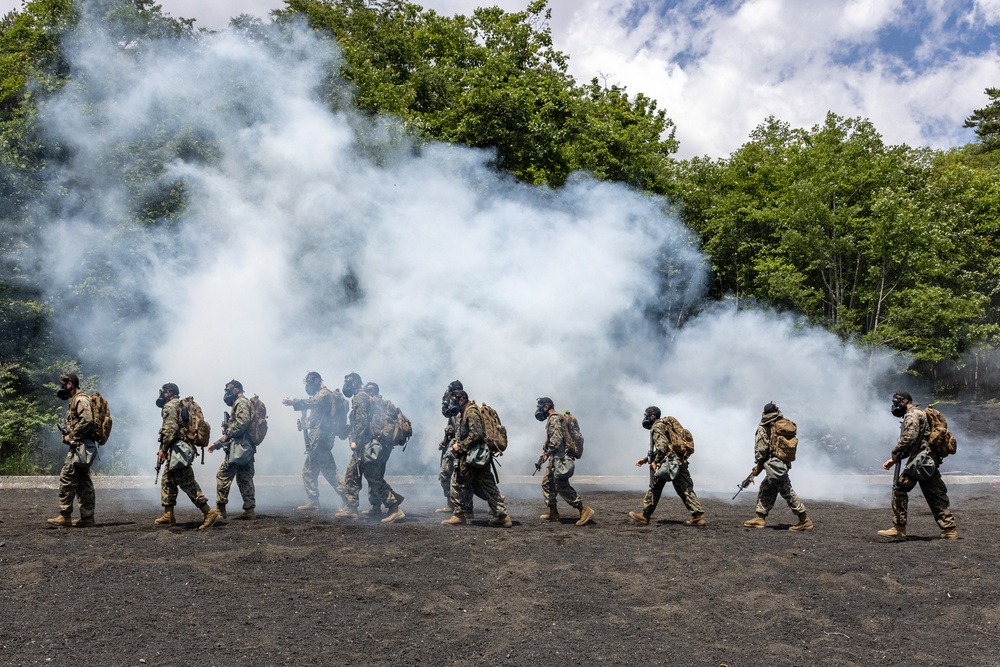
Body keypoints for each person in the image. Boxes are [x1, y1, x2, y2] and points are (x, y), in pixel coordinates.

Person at [878, 391, 957, 540]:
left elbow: (910, 438)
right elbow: (917, 442)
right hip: (928, 460)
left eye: (895, 402)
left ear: (903, 401)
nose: (894, 406)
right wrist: (894, 460)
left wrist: (895, 451)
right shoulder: (918, 413)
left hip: (921, 461)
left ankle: (899, 528)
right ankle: (949, 530)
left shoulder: (912, 415)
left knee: (900, 488)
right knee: (936, 493)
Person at [154, 383, 220, 530]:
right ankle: (168, 514)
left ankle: (208, 512)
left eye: (163, 392)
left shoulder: (170, 406)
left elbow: (170, 430)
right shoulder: (182, 405)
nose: (162, 395)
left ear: (169, 392)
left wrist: (163, 449)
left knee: (186, 481)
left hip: (178, 450)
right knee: (167, 480)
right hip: (182, 448)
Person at [442, 390, 512, 528]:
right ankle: (502, 516)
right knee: (488, 485)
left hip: (472, 456)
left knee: (456, 482)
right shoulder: (463, 412)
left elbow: (476, 434)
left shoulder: (471, 412)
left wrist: (460, 447)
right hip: (477, 456)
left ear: (461, 399)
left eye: (455, 401)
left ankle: (459, 516)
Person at [281, 371, 348, 513]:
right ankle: (313, 501)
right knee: (308, 471)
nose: (308, 386)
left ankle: (348, 500)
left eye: (309, 382)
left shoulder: (324, 394)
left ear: (317, 380)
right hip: (316, 439)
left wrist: (296, 402)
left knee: (329, 471)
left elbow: (313, 402)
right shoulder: (322, 395)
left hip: (321, 439)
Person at [629, 406, 705, 527]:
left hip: (668, 463)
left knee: (655, 486)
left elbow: (662, 447)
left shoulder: (657, 426)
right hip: (679, 461)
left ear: (652, 416)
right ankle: (698, 517)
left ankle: (645, 515)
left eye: (647, 415)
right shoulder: (666, 424)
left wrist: (656, 462)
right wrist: (645, 460)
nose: (646, 418)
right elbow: (668, 446)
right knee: (686, 489)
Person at [741, 403, 812, 531]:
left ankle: (804, 520)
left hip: (773, 465)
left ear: (764, 414)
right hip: (782, 462)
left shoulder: (765, 425)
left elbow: (762, 449)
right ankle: (760, 518)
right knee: (766, 488)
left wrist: (758, 464)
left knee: (786, 491)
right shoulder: (782, 424)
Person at [47, 373, 98, 527]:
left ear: (72, 384)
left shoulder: (81, 399)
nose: (63, 386)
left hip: (80, 447)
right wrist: (68, 433)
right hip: (80, 446)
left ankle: (65, 516)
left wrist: (72, 436)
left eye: (65, 383)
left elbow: (87, 420)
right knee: (83, 482)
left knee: (67, 478)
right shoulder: (77, 400)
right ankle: (87, 518)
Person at [535, 397, 594, 526]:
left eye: (540, 407)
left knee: (561, 486)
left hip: (560, 458)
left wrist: (546, 452)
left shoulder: (554, 418)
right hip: (555, 458)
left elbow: (556, 439)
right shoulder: (553, 418)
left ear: (546, 407)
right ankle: (553, 513)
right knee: (547, 483)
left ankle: (584, 509)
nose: (538, 410)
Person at [357, 381, 405, 523]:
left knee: (373, 475)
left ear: (374, 392)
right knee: (375, 474)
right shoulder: (387, 404)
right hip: (384, 446)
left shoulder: (374, 404)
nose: (366, 393)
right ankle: (376, 507)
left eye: (368, 391)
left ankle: (394, 506)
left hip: (376, 445)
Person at [208, 379, 256, 520]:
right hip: (246, 448)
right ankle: (249, 510)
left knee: (223, 475)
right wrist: (218, 443)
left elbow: (242, 423)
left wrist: (224, 437)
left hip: (238, 448)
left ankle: (220, 510)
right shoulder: (244, 403)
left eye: (228, 390)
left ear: (236, 390)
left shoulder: (240, 403)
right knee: (245, 478)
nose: (227, 393)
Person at [436, 380, 469, 514]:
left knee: (462, 477)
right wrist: (445, 440)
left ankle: (466, 505)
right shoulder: (453, 408)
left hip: (459, 446)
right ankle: (450, 503)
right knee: (445, 475)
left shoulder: (465, 408)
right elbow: (451, 426)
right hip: (451, 444)